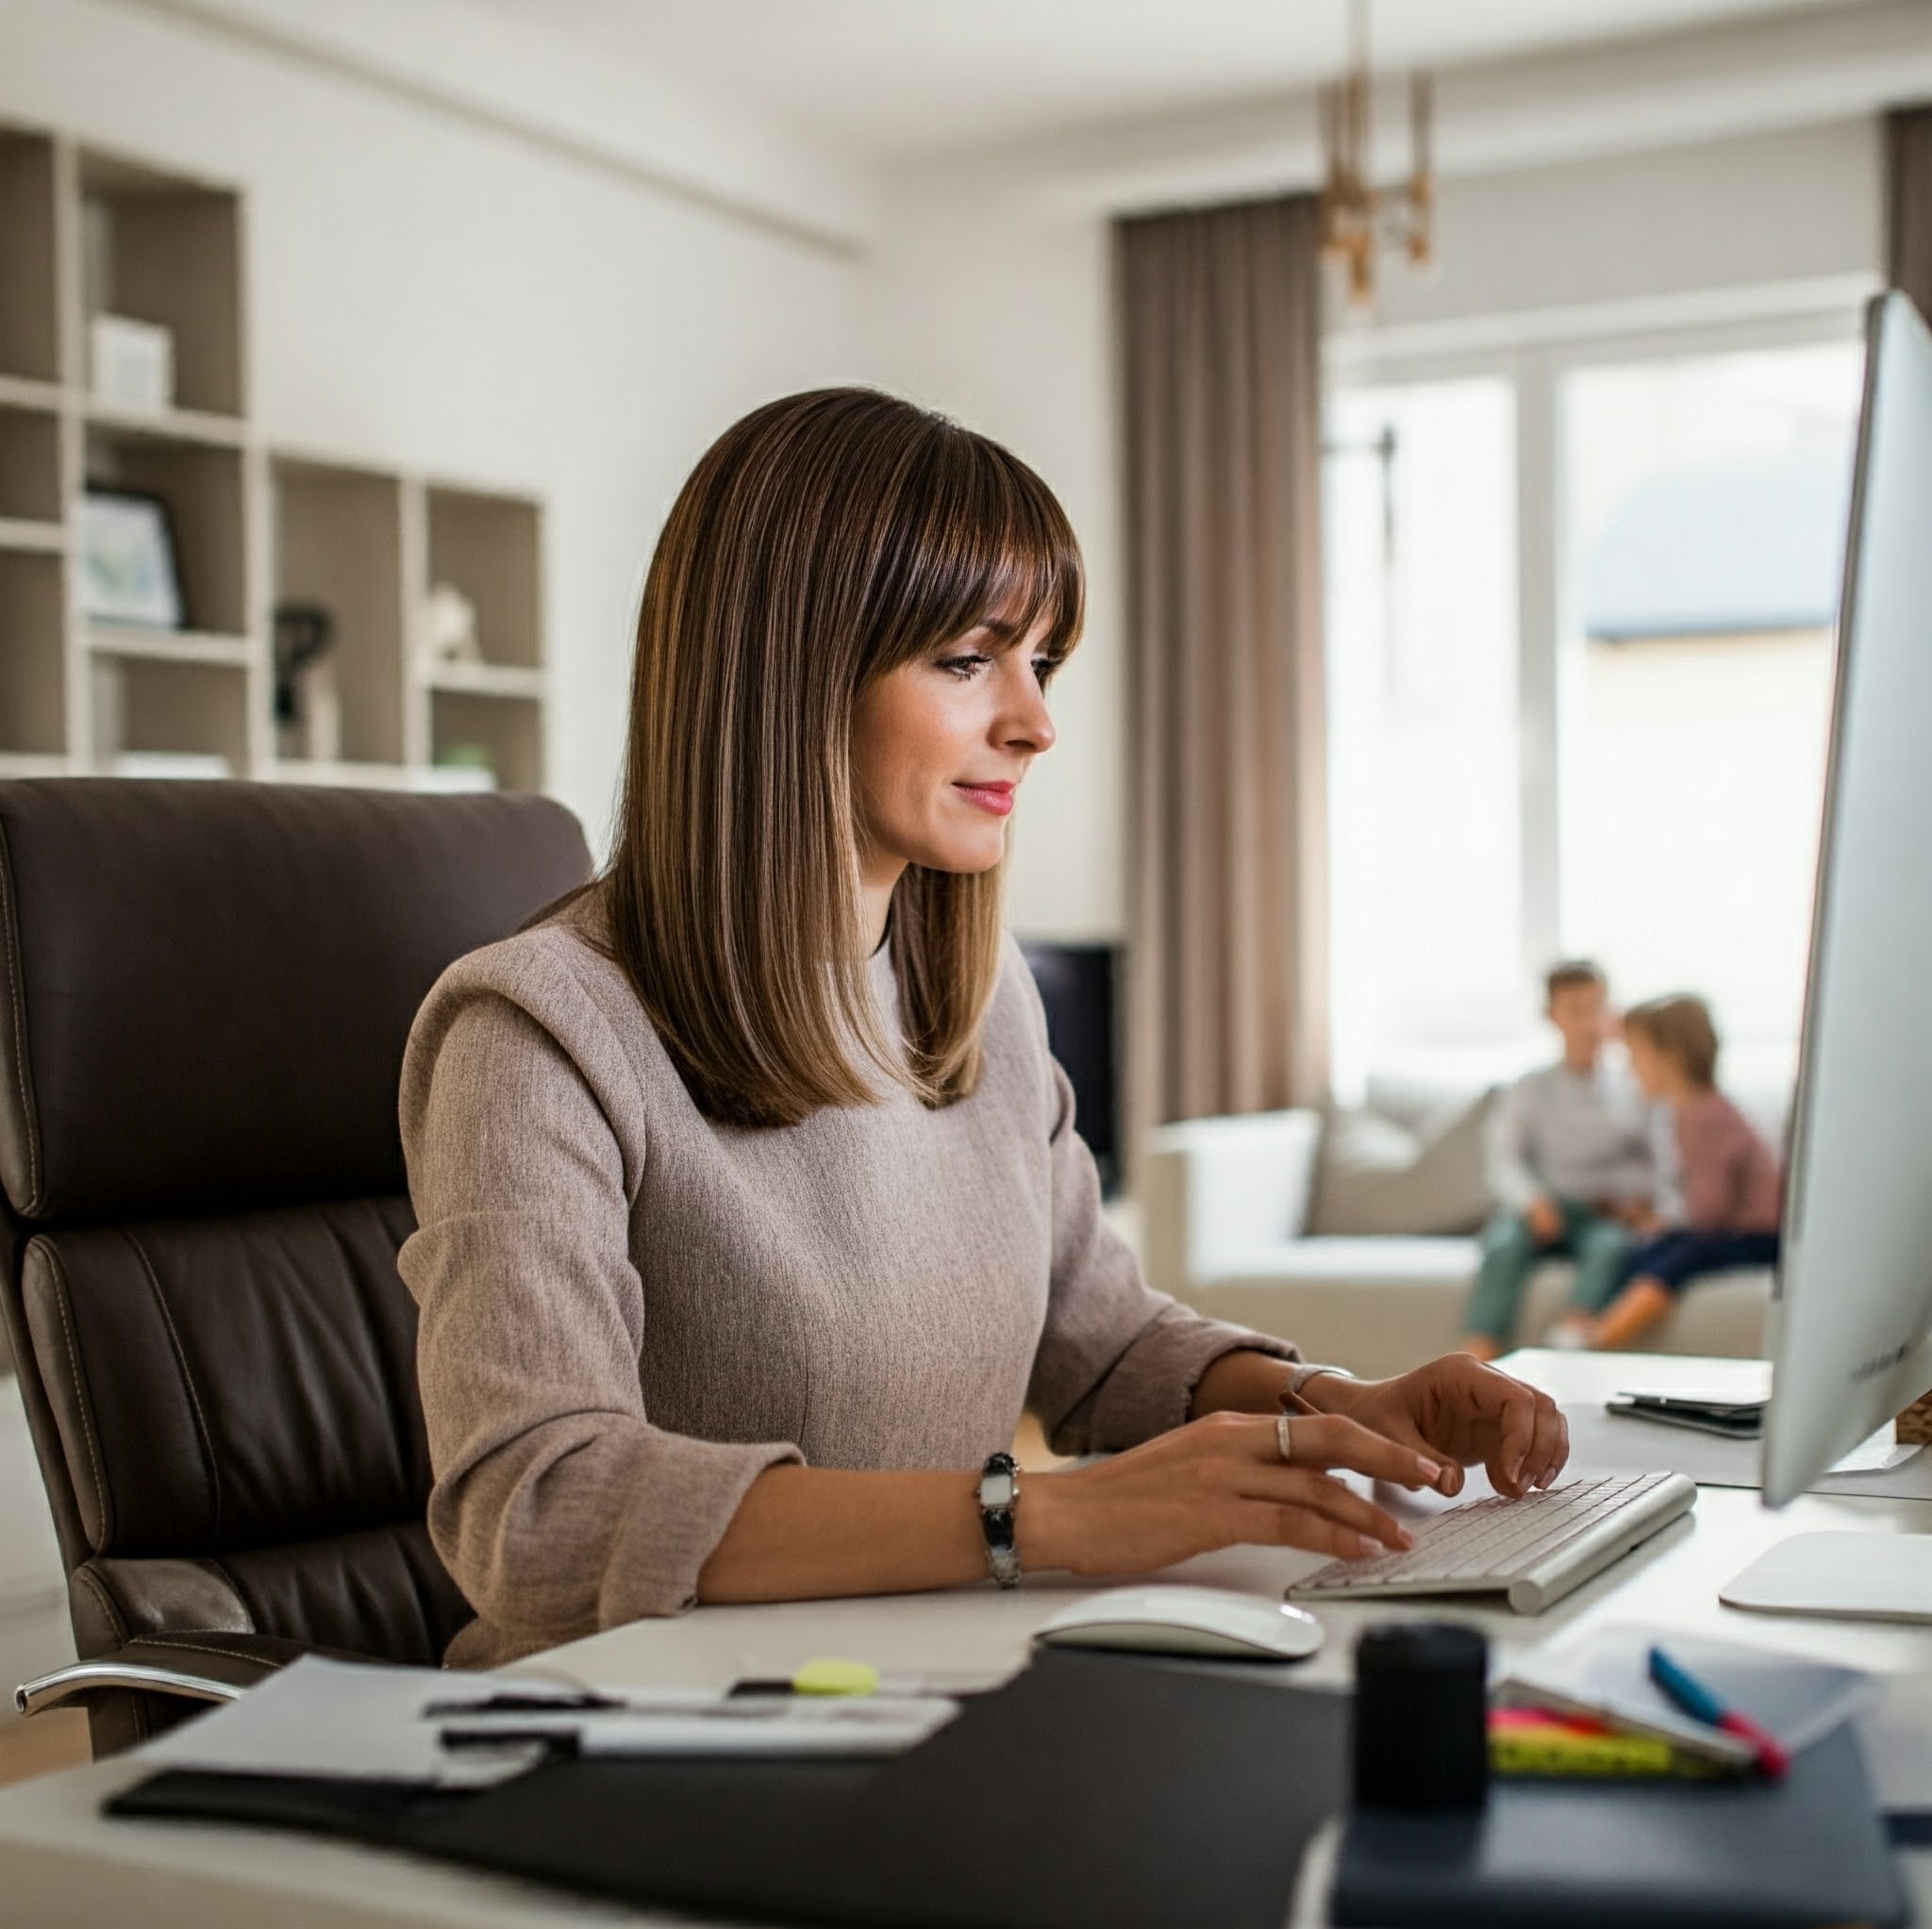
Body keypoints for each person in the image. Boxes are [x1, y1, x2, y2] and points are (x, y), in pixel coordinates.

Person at [398, 388, 1569, 1668]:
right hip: (642, 1730)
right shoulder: (540, 1033)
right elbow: (539, 1511)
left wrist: (1332, 1407)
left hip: (924, 1680)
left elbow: (1103, 1339)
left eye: (1041, 661)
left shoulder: (979, 992)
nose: (1035, 721)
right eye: (968, 660)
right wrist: (1038, 1516)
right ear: (786, 674)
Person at [1557, 994, 1782, 1352]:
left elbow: (1710, 1208)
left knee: (1681, 1255)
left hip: (1759, 1234)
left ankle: (1601, 1337)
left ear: (1669, 1059)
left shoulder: (1705, 1117)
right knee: (1643, 1252)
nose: (1629, 1069)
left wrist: (1666, 1220)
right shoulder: (1681, 1111)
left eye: (1635, 1057)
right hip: (1727, 1228)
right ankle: (1594, 1325)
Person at [1460, 960, 1653, 1361]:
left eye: (1597, 1009)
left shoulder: (1632, 1087)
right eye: (1576, 1011)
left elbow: (1650, 1160)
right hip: (1543, 1209)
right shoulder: (1530, 1088)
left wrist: (1633, 1200)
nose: (1589, 1025)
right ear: (1552, 1017)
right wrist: (1532, 1200)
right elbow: (1503, 1159)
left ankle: (1571, 1334)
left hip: (1601, 1214)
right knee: (1501, 1247)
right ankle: (1478, 1357)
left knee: (1612, 1246)